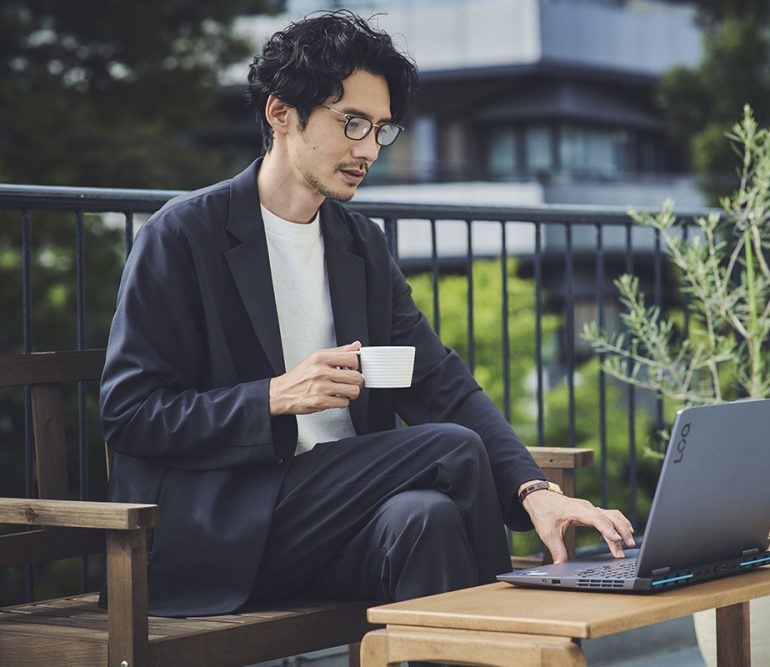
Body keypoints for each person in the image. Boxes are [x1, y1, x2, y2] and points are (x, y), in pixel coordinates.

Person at [100, 10, 633, 618]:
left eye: (380, 129)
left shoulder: (359, 245)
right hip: (222, 530)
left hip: (339, 521)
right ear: (281, 114)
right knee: (452, 450)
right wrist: (273, 396)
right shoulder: (184, 235)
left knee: (426, 519)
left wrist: (535, 490)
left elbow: (439, 385)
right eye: (351, 122)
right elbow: (130, 414)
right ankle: (521, 635)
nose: (367, 149)